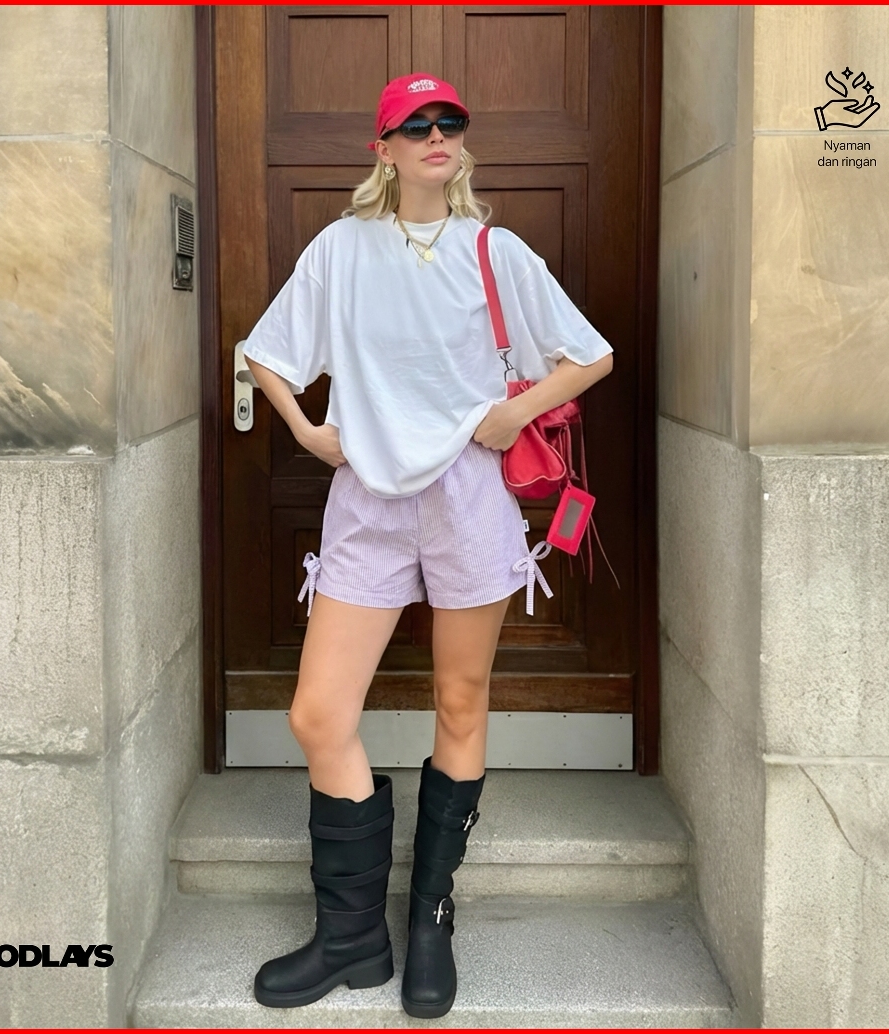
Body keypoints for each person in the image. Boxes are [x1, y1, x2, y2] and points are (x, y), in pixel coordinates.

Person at [243, 73, 613, 1018]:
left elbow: (591, 353)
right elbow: (265, 353)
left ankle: (430, 920)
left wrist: (513, 414)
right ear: (384, 148)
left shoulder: (495, 249)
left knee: (460, 699)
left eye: (449, 121)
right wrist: (307, 432)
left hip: (469, 495)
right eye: (415, 125)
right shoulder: (341, 249)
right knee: (318, 713)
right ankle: (350, 937)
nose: (436, 135)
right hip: (367, 499)